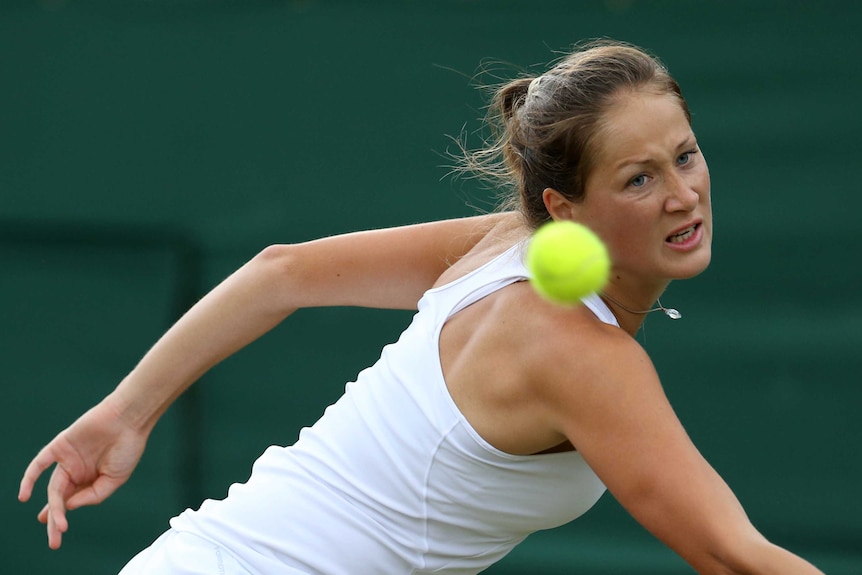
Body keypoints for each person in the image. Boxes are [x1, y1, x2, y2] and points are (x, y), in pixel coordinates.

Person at [19, 40, 825, 575]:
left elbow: (281, 272)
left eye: (685, 155)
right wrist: (127, 412)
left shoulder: (508, 242)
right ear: (566, 207)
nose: (684, 194)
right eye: (639, 178)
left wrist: (127, 412)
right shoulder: (582, 354)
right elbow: (731, 554)